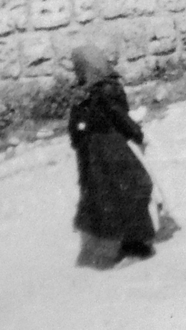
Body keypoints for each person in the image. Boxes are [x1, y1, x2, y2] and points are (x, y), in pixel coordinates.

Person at [67, 45, 159, 269]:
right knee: (107, 198)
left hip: (113, 151)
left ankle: (138, 247)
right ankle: (123, 244)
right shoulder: (84, 91)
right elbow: (77, 124)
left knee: (126, 194)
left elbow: (120, 118)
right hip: (95, 156)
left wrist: (138, 135)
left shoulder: (106, 90)